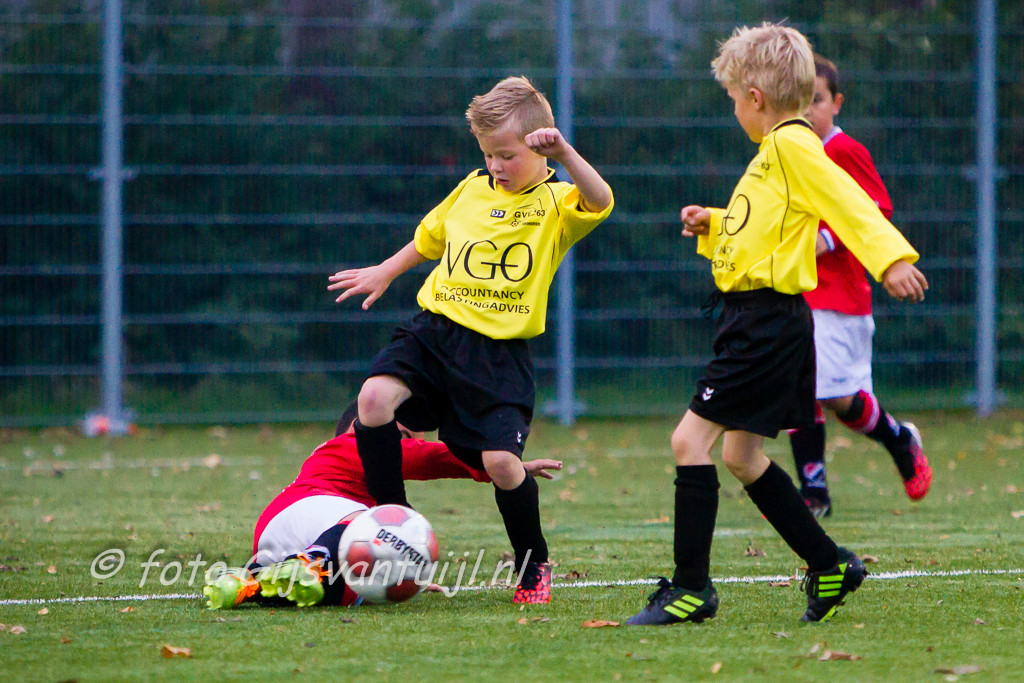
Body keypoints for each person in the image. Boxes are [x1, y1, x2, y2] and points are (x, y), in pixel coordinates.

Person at [626, 24, 928, 626]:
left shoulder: (792, 146)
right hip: (766, 320)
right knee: (741, 454)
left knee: (689, 442)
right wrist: (714, 223)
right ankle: (830, 564)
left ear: (755, 97)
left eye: (734, 99)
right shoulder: (776, 151)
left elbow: (847, 200)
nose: (734, 110)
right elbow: (768, 228)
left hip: (764, 323)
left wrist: (890, 258)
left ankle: (690, 589)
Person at [326, 76, 613, 605]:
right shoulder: (472, 188)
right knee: (373, 399)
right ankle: (394, 521)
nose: (496, 165)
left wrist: (566, 153)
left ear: (539, 147)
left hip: (497, 357)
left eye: (506, 155)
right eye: (488, 154)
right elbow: (429, 239)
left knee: (501, 465)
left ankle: (533, 565)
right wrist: (385, 272)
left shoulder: (557, 201)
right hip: (435, 332)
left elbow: (600, 199)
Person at [202, 402, 562, 610]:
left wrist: (403, 576)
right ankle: (310, 563)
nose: (408, 446)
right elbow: (427, 457)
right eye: (402, 437)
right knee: (377, 528)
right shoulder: (347, 445)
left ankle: (251, 583)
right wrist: (499, 463)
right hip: (304, 510)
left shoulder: (367, 487)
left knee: (347, 589)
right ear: (359, 428)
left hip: (283, 536)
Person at [788, 54, 932, 518]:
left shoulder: (844, 150)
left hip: (839, 294)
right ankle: (814, 494)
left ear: (837, 104)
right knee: (798, 389)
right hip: (796, 290)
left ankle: (899, 439)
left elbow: (877, 208)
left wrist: (827, 239)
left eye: (817, 100)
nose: (807, 110)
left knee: (836, 396)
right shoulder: (789, 152)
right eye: (799, 100)